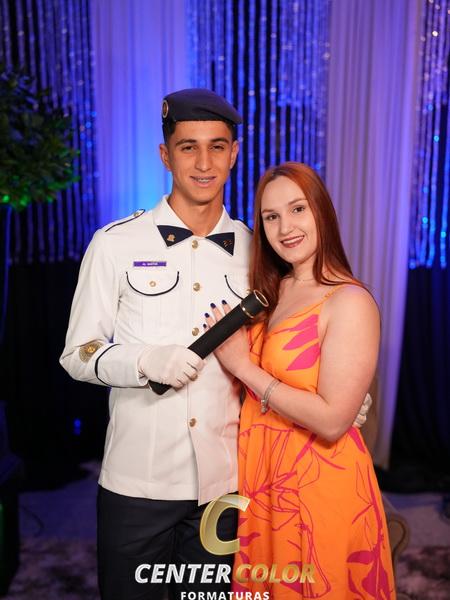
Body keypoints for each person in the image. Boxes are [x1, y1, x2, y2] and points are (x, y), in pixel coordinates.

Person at [60, 90, 370, 600]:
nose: (204, 163)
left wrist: (340, 389)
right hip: (138, 483)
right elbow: (78, 354)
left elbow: (281, 342)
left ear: (234, 153)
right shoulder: (115, 243)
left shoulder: (260, 248)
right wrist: (144, 360)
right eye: (188, 147)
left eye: (217, 147)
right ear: (165, 155)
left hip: (228, 486)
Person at [205, 162, 396, 599]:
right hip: (265, 485)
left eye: (297, 209)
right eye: (271, 217)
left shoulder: (349, 301)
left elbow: (332, 421)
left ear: (321, 212)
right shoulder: (273, 291)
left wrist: (243, 368)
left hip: (317, 486)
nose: (285, 228)